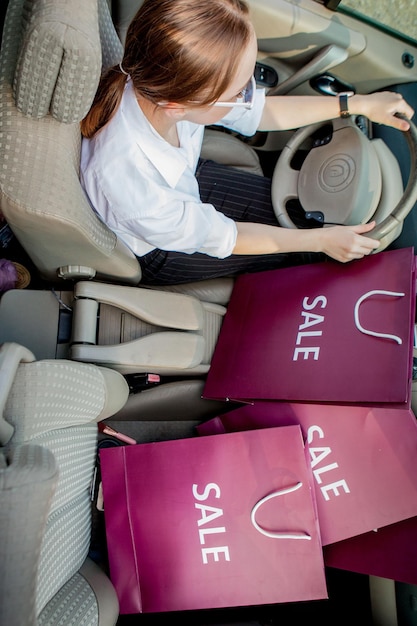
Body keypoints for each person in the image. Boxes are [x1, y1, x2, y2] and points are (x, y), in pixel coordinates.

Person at [80, 0, 414, 285]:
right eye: (238, 92)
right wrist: (321, 240)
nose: (249, 94)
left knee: (303, 225)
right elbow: (228, 236)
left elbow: (261, 111)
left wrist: (355, 104)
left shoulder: (161, 85)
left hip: (183, 190)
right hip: (164, 248)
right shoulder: (133, 187)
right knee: (306, 250)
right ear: (177, 105)